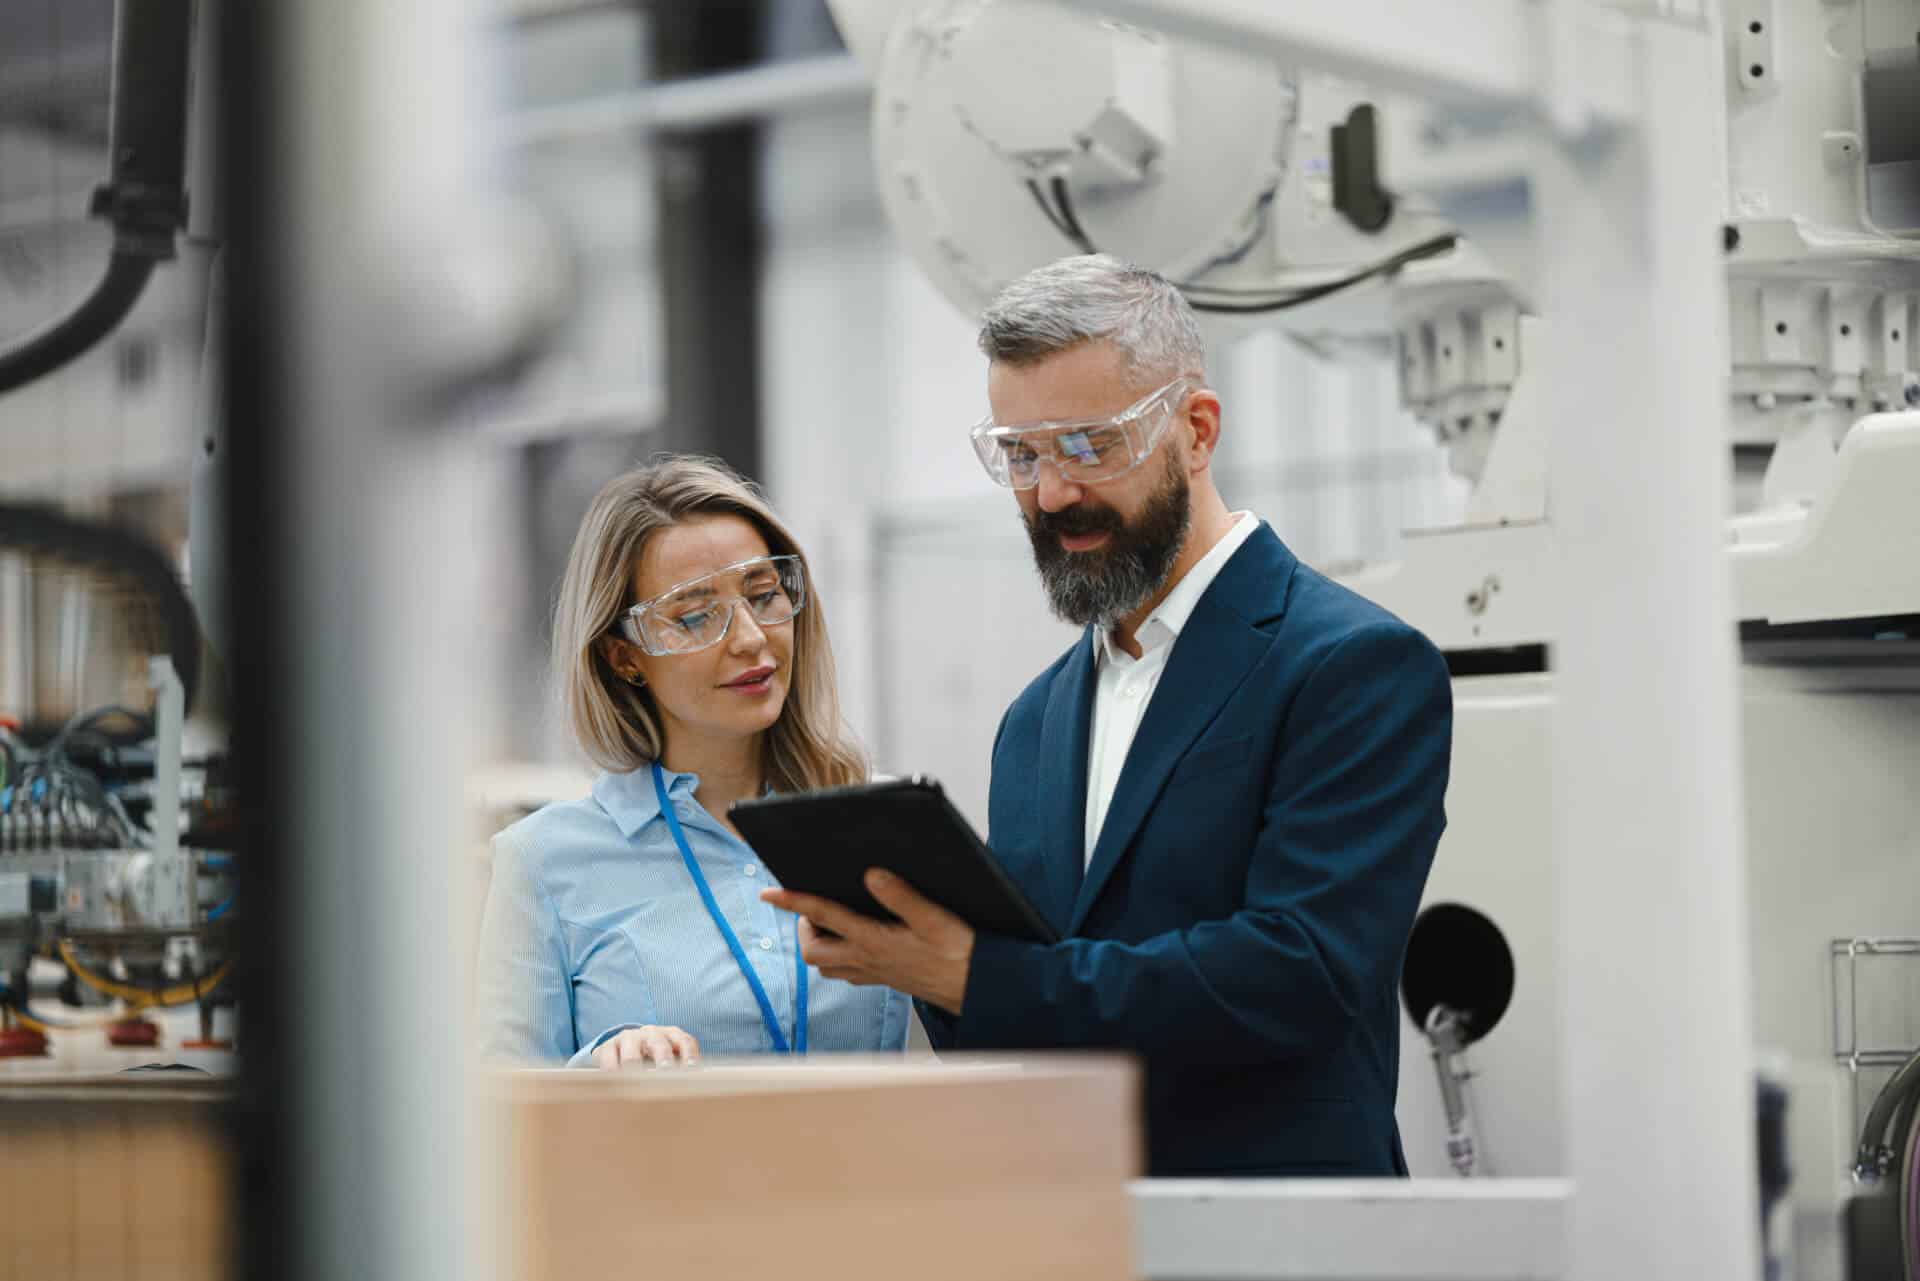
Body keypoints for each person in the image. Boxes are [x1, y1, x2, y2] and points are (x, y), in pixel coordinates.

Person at [762, 255, 1452, 1175]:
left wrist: (973, 971)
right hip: (1082, 1234)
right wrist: (911, 953)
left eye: (1088, 445)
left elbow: (1299, 973)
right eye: (1021, 454)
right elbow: (1035, 1021)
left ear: (1196, 431)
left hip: (1288, 1240)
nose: (1050, 493)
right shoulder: (1035, 720)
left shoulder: (1352, 665)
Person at [478, 456, 910, 1068]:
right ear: (623, 657)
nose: (751, 639)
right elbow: (505, 1125)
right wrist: (601, 1065)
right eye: (694, 615)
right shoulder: (541, 862)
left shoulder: (888, 822)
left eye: (763, 595)